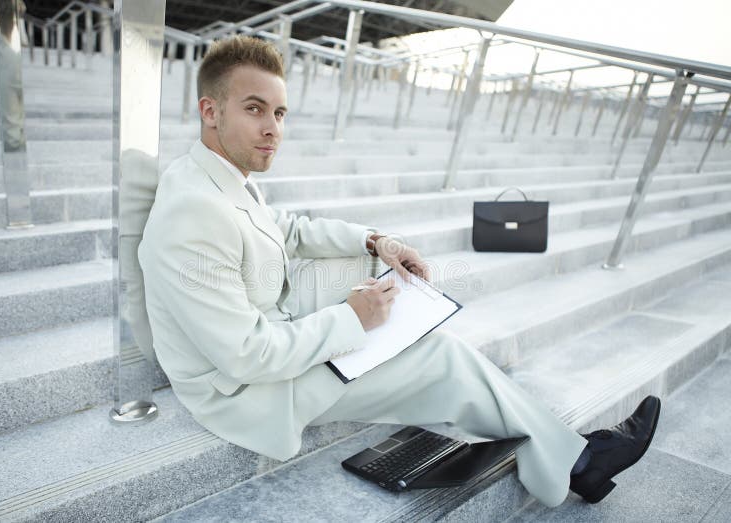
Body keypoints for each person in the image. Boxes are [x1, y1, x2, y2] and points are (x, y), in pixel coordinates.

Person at [137, 35, 660, 508]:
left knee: (381, 277)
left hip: (272, 316)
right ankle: (580, 464)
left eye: (279, 112)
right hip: (244, 394)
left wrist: (375, 241)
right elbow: (246, 356)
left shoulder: (221, 173)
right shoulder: (193, 212)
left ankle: (423, 360)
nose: (272, 128)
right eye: (255, 109)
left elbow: (286, 229)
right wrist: (350, 319)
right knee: (443, 358)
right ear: (210, 110)